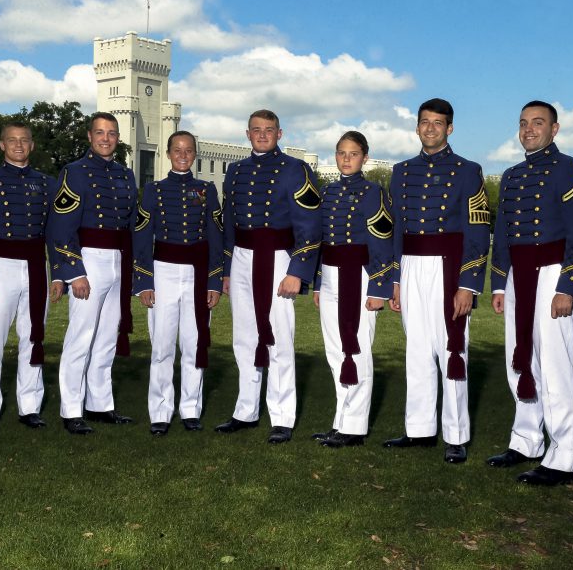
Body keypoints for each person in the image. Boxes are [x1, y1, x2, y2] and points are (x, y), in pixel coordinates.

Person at [487, 100, 573, 486]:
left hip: (554, 275)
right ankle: (526, 440)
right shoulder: (512, 175)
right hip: (519, 276)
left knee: (554, 367)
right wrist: (500, 283)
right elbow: (501, 235)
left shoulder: (571, 168)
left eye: (538, 123)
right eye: (523, 123)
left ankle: (562, 457)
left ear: (555, 128)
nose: (529, 129)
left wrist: (569, 285)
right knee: (519, 362)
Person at [384, 98, 489, 464]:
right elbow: (395, 230)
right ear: (417, 127)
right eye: (425, 122)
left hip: (449, 267)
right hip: (411, 265)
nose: (431, 128)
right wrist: (395, 278)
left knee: (451, 349)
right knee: (416, 349)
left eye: (438, 122)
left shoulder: (469, 170)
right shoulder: (401, 171)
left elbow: (478, 230)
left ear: (450, 128)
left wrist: (468, 283)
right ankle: (419, 429)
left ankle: (456, 435)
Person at [215, 109, 321, 445]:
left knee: (278, 337)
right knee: (244, 337)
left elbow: (310, 224)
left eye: (269, 129)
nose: (262, 135)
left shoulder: (295, 169)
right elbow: (228, 224)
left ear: (280, 133)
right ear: (247, 134)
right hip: (244, 258)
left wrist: (297, 271)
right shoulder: (235, 171)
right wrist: (229, 270)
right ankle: (245, 411)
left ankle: (282, 415)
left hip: (278, 259)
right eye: (256, 130)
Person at [48, 112, 137, 435]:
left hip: (117, 260)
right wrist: (74, 272)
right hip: (89, 259)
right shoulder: (74, 172)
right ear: (89, 136)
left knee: (106, 337)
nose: (105, 138)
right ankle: (71, 409)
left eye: (111, 133)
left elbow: (129, 224)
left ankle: (100, 404)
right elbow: (61, 225)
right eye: (100, 133)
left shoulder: (125, 175)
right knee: (81, 337)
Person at [0, 122, 56, 435]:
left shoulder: (47, 184)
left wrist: (57, 274)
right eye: (12, 140)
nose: (18, 145)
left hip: (35, 266)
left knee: (34, 337)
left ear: (32, 145)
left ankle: (29, 405)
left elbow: (57, 234)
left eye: (24, 140)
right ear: (2, 145)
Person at [133, 131, 223, 436]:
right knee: (161, 344)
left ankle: (190, 409)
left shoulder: (206, 190)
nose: (183, 156)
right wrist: (144, 281)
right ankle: (159, 411)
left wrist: (213, 280)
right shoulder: (153, 190)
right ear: (168, 153)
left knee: (194, 343)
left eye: (189, 151)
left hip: (197, 273)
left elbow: (215, 235)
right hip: (164, 271)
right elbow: (142, 236)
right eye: (177, 150)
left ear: (194, 154)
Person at [311, 131, 393, 448]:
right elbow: (321, 242)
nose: (347, 159)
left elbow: (382, 242)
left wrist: (379, 287)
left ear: (365, 158)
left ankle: (355, 427)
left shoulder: (374, 193)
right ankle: (340, 421)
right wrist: (319, 282)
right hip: (330, 275)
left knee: (356, 350)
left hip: (359, 275)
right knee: (335, 353)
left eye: (353, 153)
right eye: (342, 153)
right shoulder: (328, 192)